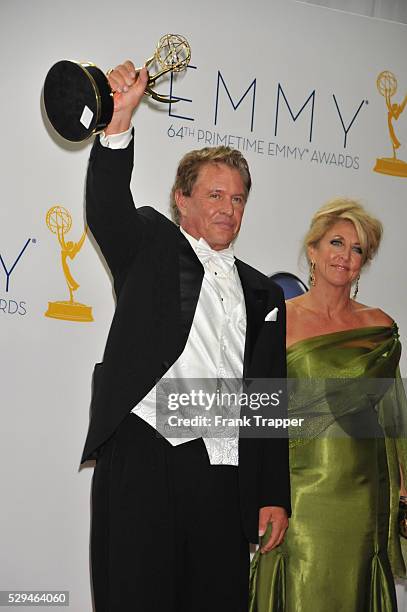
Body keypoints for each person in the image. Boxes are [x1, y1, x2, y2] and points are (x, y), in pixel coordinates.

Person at [80, 61, 291, 611]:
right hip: (145, 458)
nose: (228, 208)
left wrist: (272, 495)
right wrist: (118, 122)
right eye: (216, 195)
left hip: (223, 479)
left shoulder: (265, 294)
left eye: (238, 199)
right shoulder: (151, 245)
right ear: (182, 198)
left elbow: (268, 402)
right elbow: (107, 207)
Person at [250, 199, 407, 611]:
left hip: (361, 493)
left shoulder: (380, 328)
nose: (345, 256)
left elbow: (393, 420)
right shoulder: (276, 319)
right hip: (296, 490)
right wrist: (264, 494)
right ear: (313, 250)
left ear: (363, 264)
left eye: (357, 250)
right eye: (336, 242)